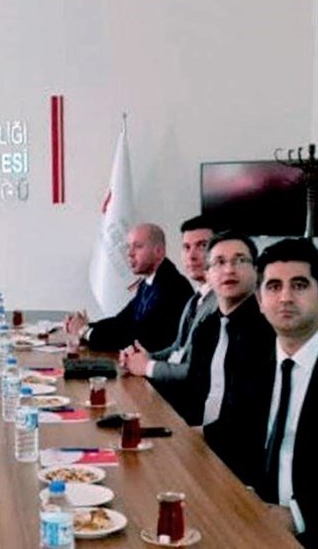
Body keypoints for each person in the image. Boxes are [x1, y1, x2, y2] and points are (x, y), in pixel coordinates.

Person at [209, 239, 318, 547]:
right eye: (273, 286)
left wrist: (296, 516)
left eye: (299, 285)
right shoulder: (253, 361)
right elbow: (229, 432)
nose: (285, 297)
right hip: (253, 521)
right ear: (259, 300)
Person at [181, 231, 275, 437]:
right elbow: (192, 392)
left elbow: (251, 415)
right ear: (207, 274)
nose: (229, 269)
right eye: (219, 262)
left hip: (237, 447)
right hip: (196, 440)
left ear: (256, 271)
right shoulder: (206, 328)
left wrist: (197, 434)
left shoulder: (268, 330)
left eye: (240, 260)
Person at [65, 223, 193, 352]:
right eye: (128, 247)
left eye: (138, 246)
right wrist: (85, 325)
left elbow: (137, 338)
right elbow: (122, 322)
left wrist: (84, 331)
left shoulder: (173, 287)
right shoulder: (147, 283)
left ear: (159, 252)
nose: (130, 253)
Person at [121, 215, 217, 383]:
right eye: (186, 247)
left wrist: (147, 366)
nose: (191, 256)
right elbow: (177, 349)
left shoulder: (221, 304)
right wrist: (143, 358)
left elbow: (198, 371)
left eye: (202, 246)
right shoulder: (195, 299)